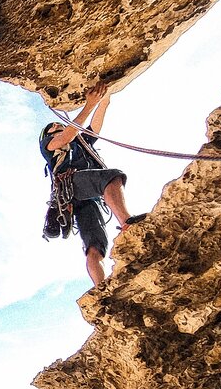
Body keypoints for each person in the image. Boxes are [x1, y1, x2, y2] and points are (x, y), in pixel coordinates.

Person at [39, 82, 146, 286]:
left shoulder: (80, 144)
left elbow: (94, 129)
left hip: (83, 197)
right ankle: (127, 222)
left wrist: (103, 101)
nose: (57, 126)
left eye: (59, 124)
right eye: (53, 127)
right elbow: (66, 136)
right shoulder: (49, 145)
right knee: (112, 178)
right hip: (72, 184)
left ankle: (101, 289)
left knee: (95, 248)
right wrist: (89, 105)